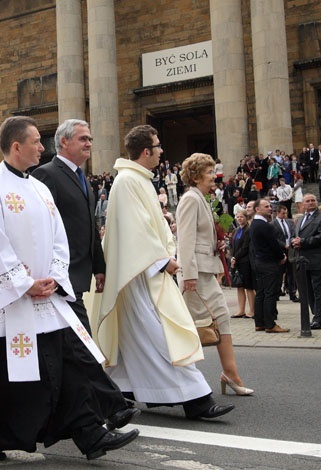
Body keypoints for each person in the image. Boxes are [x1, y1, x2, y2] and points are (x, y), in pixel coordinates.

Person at [0, 116, 138, 462]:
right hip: (8, 301)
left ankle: (90, 434)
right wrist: (23, 284)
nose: (42, 148)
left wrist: (57, 277)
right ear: (16, 146)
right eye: (36, 142)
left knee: (63, 366)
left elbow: (60, 238)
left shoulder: (40, 188)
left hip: (45, 296)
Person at [95, 125, 234, 420]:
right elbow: (137, 229)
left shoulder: (205, 197)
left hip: (160, 268)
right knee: (162, 335)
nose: (161, 152)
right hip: (143, 272)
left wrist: (221, 232)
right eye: (158, 147)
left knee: (138, 337)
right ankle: (197, 398)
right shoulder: (133, 183)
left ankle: (123, 390)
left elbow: (224, 223)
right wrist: (165, 261)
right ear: (146, 151)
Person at [32, 118, 139, 432]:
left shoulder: (84, 179)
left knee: (71, 349)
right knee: (83, 343)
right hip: (57, 277)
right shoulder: (45, 175)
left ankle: (69, 415)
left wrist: (99, 265)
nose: (89, 144)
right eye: (83, 139)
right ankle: (113, 407)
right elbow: (41, 228)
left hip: (78, 275)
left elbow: (90, 227)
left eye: (91, 139)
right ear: (63, 142)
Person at [176, 153, 253, 396]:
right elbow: (185, 240)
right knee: (189, 325)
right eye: (209, 172)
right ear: (197, 176)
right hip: (196, 273)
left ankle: (230, 374)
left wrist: (220, 243)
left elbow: (225, 225)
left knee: (220, 319)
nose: (214, 176)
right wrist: (187, 274)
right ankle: (181, 378)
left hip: (207, 269)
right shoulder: (190, 199)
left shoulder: (210, 200)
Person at [292, 194, 321, 329]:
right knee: (308, 291)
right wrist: (295, 242)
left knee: (319, 291)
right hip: (303, 261)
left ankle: (319, 319)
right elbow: (297, 235)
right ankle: (319, 316)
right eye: (307, 201)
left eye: (312, 200)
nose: (310, 203)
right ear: (303, 204)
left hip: (317, 260)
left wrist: (302, 242)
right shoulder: (301, 219)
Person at [249, 199, 289, 334]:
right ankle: (270, 324)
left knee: (261, 292)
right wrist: (281, 256)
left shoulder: (254, 224)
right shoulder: (264, 225)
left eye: (270, 206)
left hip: (259, 262)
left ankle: (259, 322)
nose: (270, 208)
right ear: (257, 209)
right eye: (266, 206)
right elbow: (273, 244)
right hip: (268, 263)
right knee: (270, 293)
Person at [230, 210, 256, 317]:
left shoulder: (248, 230)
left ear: (246, 218)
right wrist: (232, 257)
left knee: (248, 286)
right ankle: (241, 310)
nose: (239, 219)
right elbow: (232, 245)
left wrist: (236, 257)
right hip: (236, 262)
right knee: (239, 286)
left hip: (246, 261)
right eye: (237, 217)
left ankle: (252, 310)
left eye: (241, 217)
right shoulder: (236, 230)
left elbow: (245, 247)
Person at [272, 205, 299, 302]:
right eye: (283, 213)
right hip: (280, 250)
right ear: (278, 213)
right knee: (279, 273)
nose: (285, 215)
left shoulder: (290, 222)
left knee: (292, 273)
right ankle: (277, 292)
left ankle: (292, 293)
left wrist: (292, 241)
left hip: (290, 250)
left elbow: (293, 233)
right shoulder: (273, 224)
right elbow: (274, 238)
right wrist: (284, 245)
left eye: (286, 213)